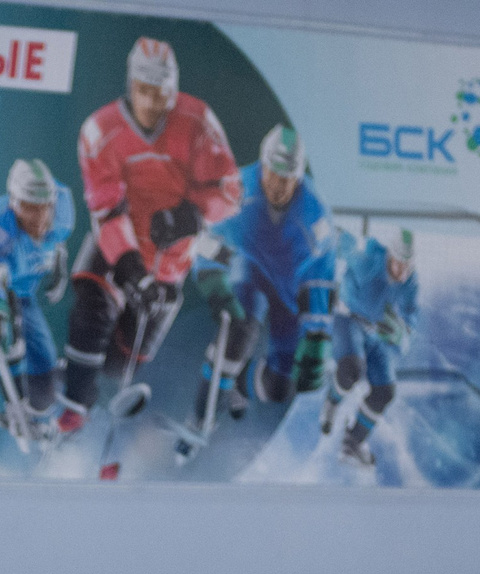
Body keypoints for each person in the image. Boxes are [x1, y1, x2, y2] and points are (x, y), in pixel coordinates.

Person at [66, 37, 239, 432]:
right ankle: (70, 407)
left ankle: (101, 413)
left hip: (170, 258)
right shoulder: (99, 130)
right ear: (130, 85)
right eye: (143, 91)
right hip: (118, 245)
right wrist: (130, 269)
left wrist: (190, 216)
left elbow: (229, 191)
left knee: (120, 363)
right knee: (91, 314)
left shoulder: (197, 123)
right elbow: (106, 208)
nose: (150, 104)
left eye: (160, 94)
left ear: (172, 91)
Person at [198, 123, 336, 420]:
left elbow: (321, 277)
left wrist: (317, 335)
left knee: (277, 388)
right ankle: (200, 414)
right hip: (252, 271)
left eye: (287, 178)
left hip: (290, 292)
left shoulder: (317, 215)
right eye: (272, 173)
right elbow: (207, 237)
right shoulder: (236, 189)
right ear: (262, 165)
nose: (277, 185)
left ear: (299, 178)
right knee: (240, 327)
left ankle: (241, 382)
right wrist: (210, 275)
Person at [0, 158, 78, 444]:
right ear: (13, 203)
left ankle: (38, 417)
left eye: (43, 207)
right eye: (29, 208)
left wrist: (58, 262)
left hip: (22, 291)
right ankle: (15, 406)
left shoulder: (61, 211)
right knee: (4, 338)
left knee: (45, 370)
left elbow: (55, 242)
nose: (39, 218)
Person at [316, 225, 417, 469]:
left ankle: (352, 443)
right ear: (389, 256)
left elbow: (411, 320)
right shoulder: (370, 261)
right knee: (351, 369)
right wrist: (320, 228)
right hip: (347, 319)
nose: (401, 271)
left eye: (407, 265)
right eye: (397, 263)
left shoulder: (411, 282)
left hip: (375, 333)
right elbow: (344, 242)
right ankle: (332, 401)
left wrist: (400, 332)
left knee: (385, 391)